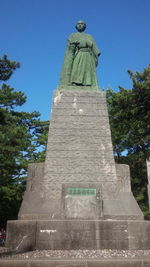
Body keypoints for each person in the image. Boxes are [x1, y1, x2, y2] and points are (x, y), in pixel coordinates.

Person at [60, 21, 100, 88]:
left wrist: (95, 55)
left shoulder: (89, 36)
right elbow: (69, 48)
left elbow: (95, 48)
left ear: (84, 26)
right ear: (76, 26)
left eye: (82, 24)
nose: (80, 25)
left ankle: (88, 83)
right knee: (77, 68)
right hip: (79, 54)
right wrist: (73, 45)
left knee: (87, 71)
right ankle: (75, 82)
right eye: (78, 24)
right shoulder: (73, 35)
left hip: (88, 56)